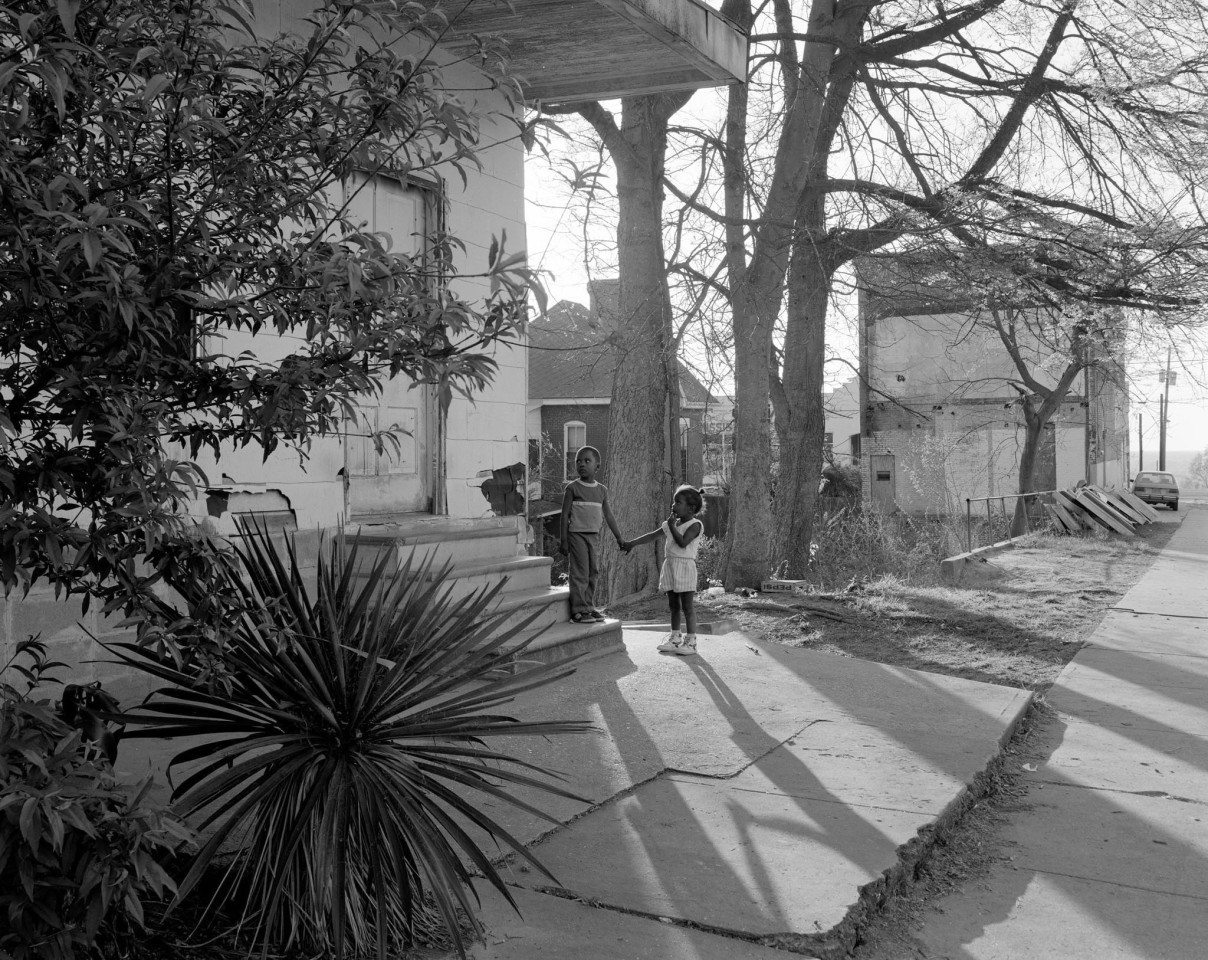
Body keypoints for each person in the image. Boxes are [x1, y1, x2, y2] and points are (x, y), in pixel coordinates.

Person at [624, 485, 705, 655]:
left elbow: (683, 542)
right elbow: (652, 536)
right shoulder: (671, 525)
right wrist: (631, 543)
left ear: (690, 508)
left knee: (687, 606)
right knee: (674, 605)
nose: (673, 505)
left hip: (685, 567)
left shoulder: (695, 525)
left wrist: (672, 526)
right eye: (674, 502)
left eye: (678, 502)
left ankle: (691, 642)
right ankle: (675, 639)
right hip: (670, 566)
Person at [560, 446, 626, 623]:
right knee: (580, 572)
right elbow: (564, 515)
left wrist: (619, 537)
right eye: (578, 461)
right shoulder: (572, 488)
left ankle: (589, 606)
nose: (581, 464)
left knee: (592, 572)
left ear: (597, 466)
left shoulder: (601, 490)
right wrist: (564, 540)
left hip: (593, 536)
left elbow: (609, 515)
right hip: (576, 535)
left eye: (587, 461)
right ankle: (578, 610)